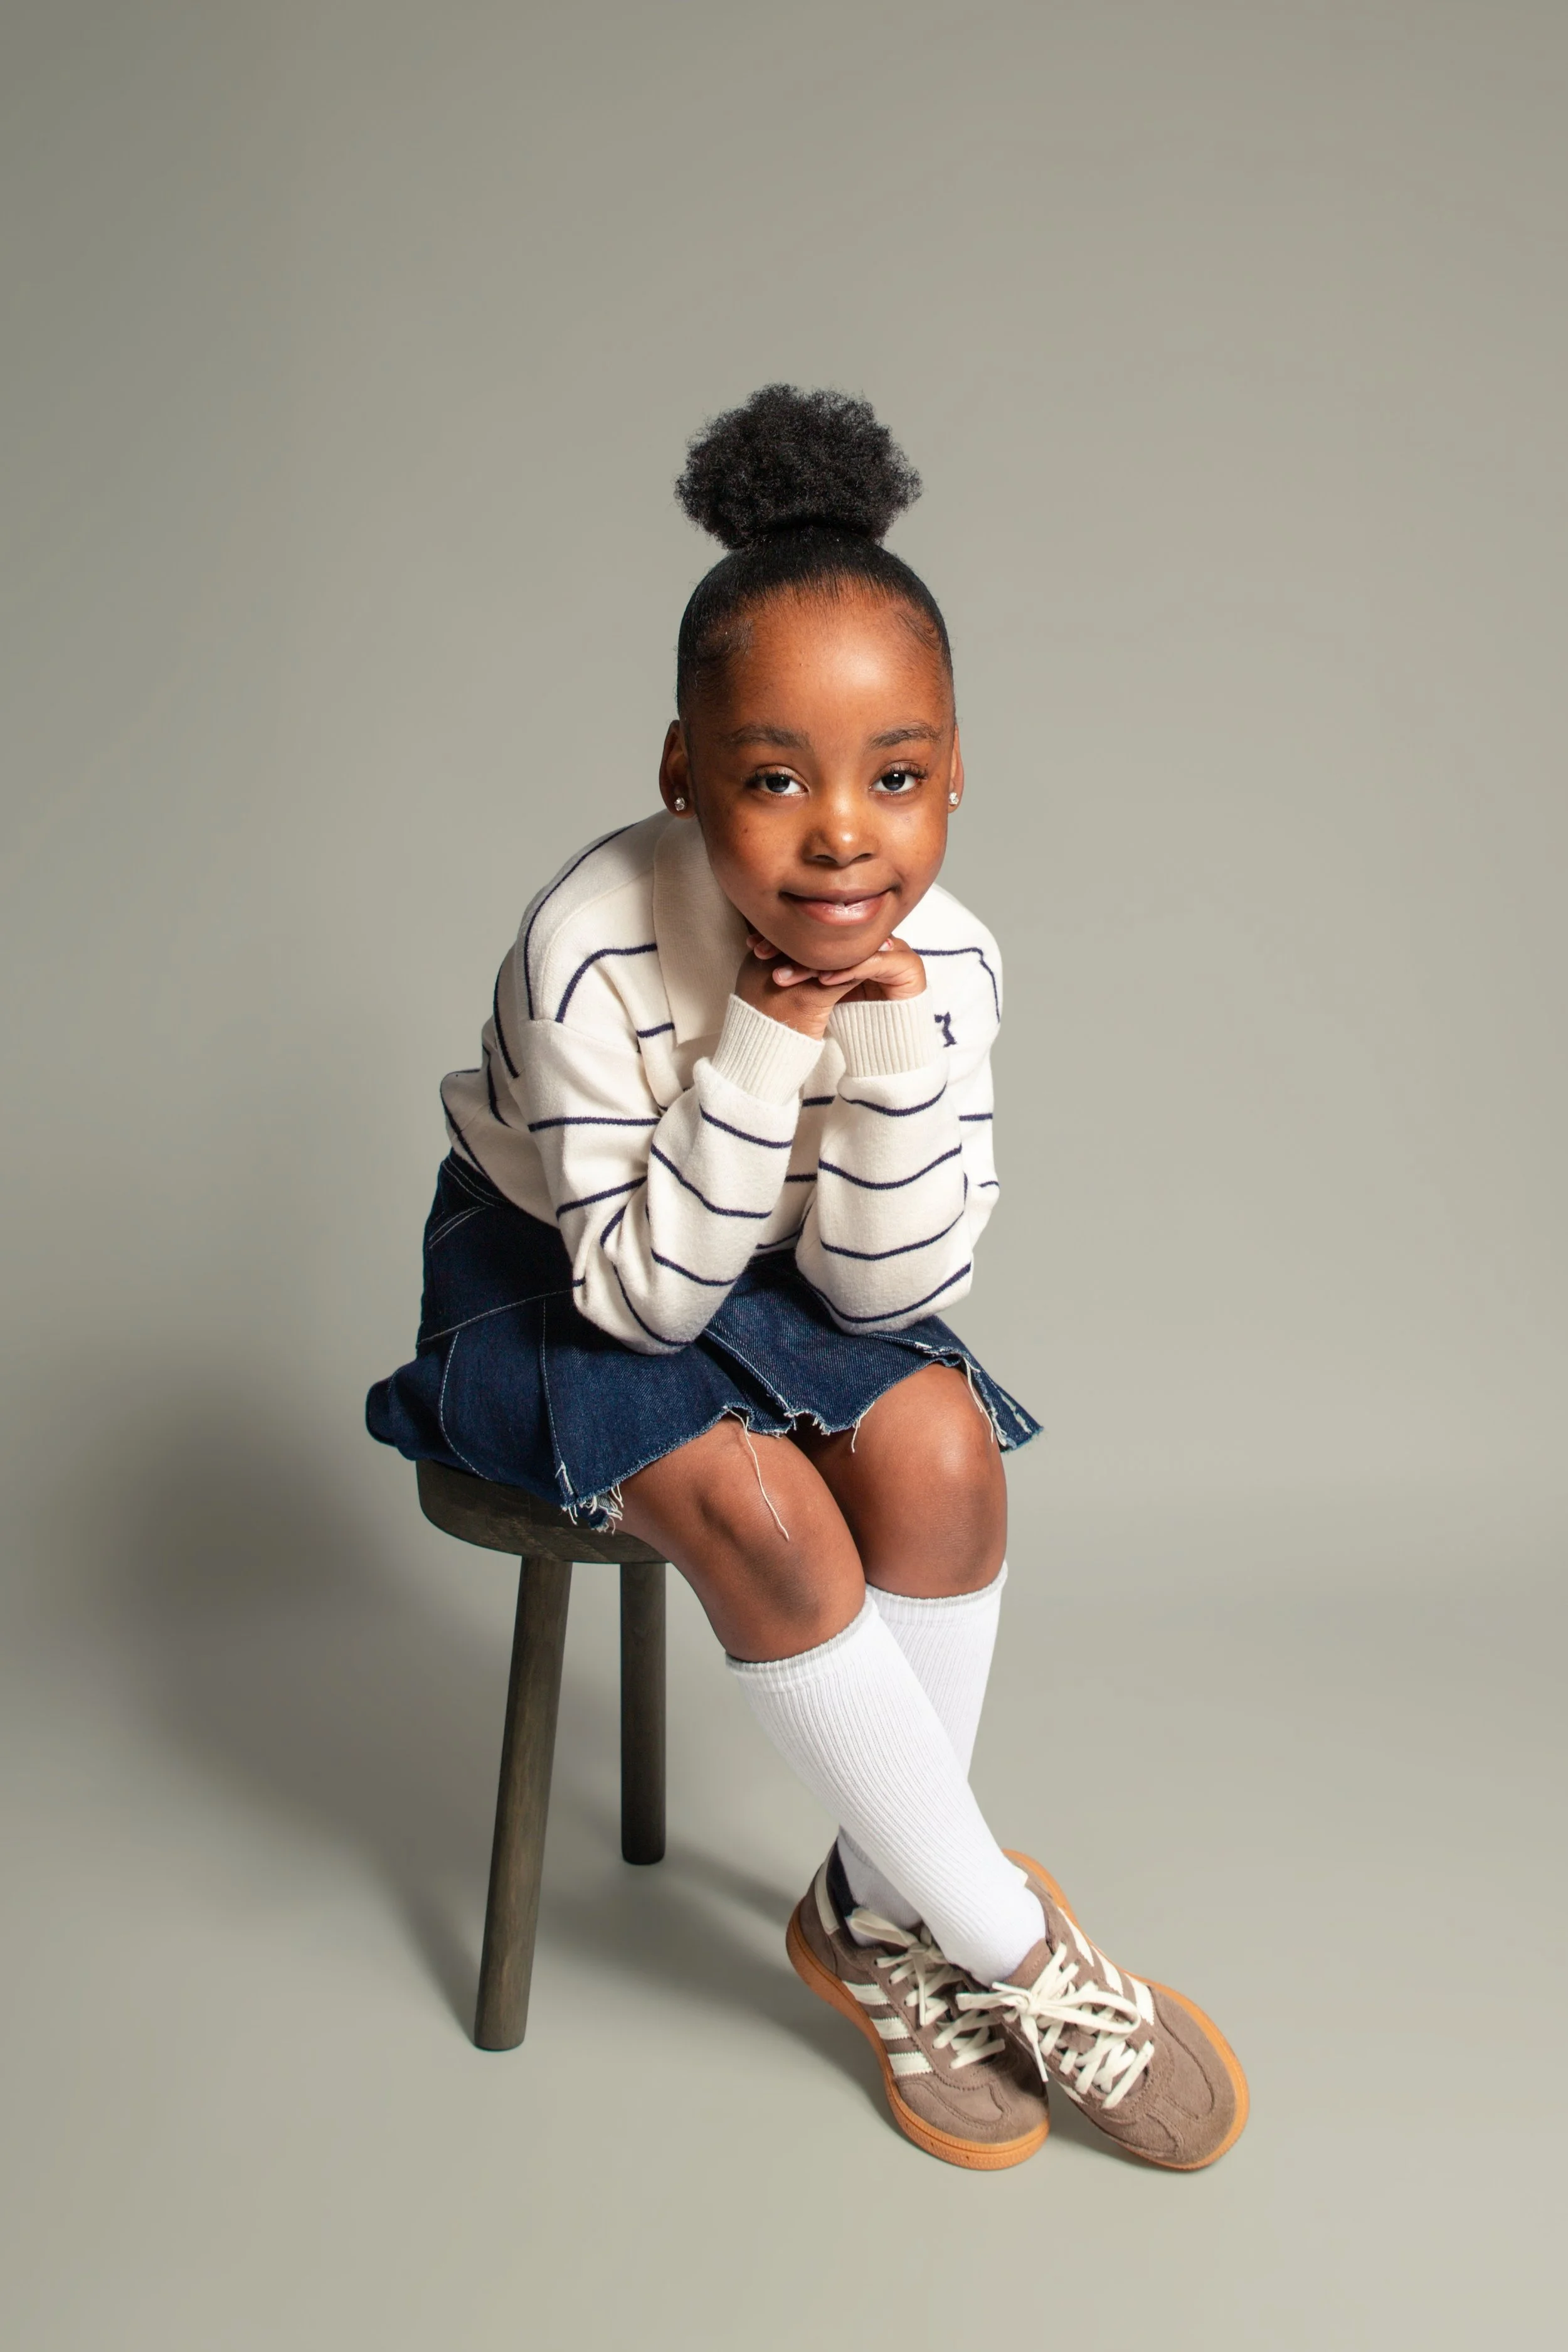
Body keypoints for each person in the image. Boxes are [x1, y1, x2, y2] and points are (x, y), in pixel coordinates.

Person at [368, 385, 1248, 2173]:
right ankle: (1010, 1942)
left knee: (938, 1454)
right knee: (768, 1516)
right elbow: (642, 1306)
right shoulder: (591, 940)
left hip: (762, 1257)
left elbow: (876, 1292)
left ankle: (868, 1911)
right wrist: (767, 1048)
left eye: (895, 776)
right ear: (684, 774)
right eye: (776, 777)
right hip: (558, 1270)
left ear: (951, 771)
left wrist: (897, 1055)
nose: (844, 833)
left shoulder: (953, 959)